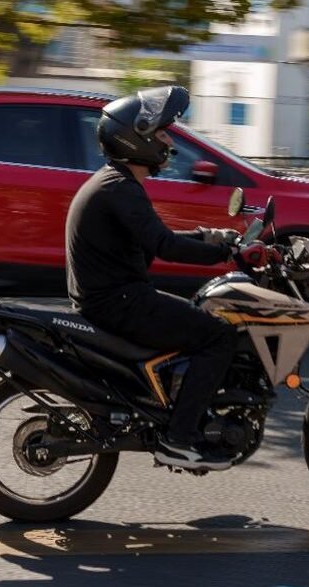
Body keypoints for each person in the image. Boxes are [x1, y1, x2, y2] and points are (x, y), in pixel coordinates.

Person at [65, 85, 242, 471]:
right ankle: (179, 438)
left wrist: (212, 238)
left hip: (114, 297)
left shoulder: (117, 183)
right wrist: (226, 253)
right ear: (136, 138)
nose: (168, 142)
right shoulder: (120, 188)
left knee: (199, 314)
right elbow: (164, 246)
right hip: (118, 302)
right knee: (219, 335)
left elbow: (155, 236)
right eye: (162, 134)